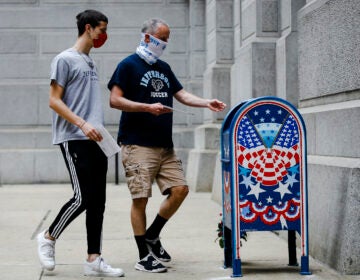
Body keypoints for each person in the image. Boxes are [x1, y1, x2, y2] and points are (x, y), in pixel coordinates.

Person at [107, 18, 226, 273]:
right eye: (163, 38)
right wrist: (147, 107)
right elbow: (115, 100)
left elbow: (181, 95)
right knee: (140, 199)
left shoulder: (163, 67)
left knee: (180, 190)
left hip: (164, 146)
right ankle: (143, 256)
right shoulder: (127, 66)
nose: (166, 43)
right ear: (148, 38)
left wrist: (207, 103)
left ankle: (152, 235)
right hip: (137, 144)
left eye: (168, 39)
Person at [36, 10, 124, 277]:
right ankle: (48, 237)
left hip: (95, 140)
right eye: (102, 30)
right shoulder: (64, 59)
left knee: (98, 201)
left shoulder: (89, 62)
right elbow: (54, 100)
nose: (104, 35)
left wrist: (96, 128)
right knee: (83, 197)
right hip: (74, 137)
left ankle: (93, 259)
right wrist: (82, 124)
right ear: (88, 28)